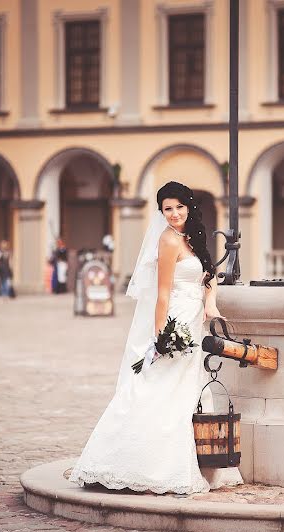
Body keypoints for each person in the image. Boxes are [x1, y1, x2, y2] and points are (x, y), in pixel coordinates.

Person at [68, 181, 243, 494]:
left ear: (189, 207)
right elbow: (162, 294)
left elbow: (208, 276)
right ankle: (142, 466)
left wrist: (211, 303)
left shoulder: (191, 238)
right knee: (159, 390)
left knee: (187, 392)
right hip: (177, 322)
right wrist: (163, 336)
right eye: (167, 209)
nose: (174, 214)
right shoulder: (168, 241)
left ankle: (194, 464)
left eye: (178, 207)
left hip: (194, 320)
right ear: (161, 213)